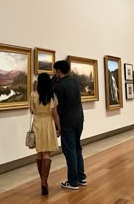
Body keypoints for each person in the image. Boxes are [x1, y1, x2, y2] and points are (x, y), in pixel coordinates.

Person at [53, 60, 87, 190]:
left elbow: (59, 109)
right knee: (77, 148)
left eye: (55, 70)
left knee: (70, 151)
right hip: (79, 119)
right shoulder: (75, 81)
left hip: (67, 122)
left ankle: (73, 181)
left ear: (58, 71)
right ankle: (81, 177)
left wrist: (58, 127)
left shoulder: (59, 86)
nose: (54, 73)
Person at [29, 73, 61, 196]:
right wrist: (59, 127)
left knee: (40, 153)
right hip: (48, 124)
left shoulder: (33, 95)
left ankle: (42, 181)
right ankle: (44, 181)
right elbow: (55, 114)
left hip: (37, 123)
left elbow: (32, 111)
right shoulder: (52, 96)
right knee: (47, 154)